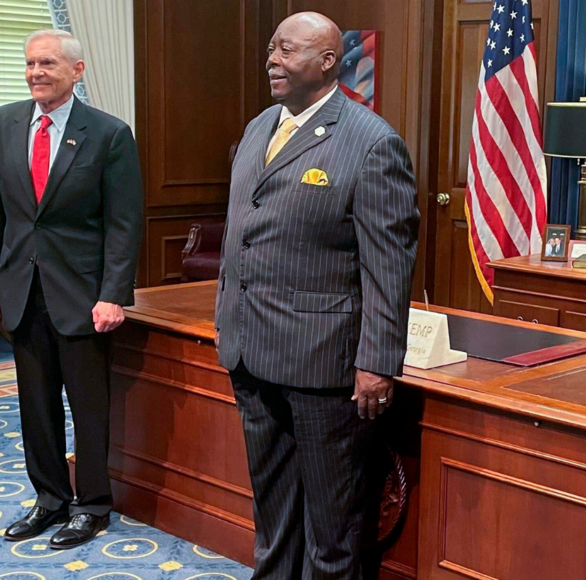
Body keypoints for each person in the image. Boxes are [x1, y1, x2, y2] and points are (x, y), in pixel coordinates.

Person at [215, 12, 419, 579]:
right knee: (273, 515)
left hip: (324, 368)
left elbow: (388, 266)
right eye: (271, 48)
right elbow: (243, 232)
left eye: (286, 50)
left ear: (327, 61)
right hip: (251, 353)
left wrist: (377, 362)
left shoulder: (372, 143)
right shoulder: (259, 127)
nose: (271, 60)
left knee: (334, 534)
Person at [0, 29, 143, 549]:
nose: (35, 72)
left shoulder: (110, 134)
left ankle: (92, 505)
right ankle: (49, 499)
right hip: (20, 287)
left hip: (83, 294)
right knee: (36, 403)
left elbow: (123, 223)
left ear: (77, 70)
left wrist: (114, 292)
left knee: (88, 406)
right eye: (29, 63)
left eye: (47, 63)